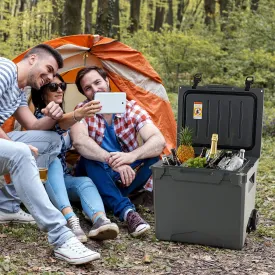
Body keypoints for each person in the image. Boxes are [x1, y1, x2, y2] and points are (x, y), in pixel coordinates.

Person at [0, 45, 100, 264]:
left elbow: (34, 125)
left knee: (52, 140)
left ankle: (6, 206)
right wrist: (14, 146)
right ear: (32, 59)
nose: (49, 78)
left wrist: (55, 113)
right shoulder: (5, 69)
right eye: (47, 70)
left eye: (53, 75)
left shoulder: (18, 90)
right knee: (20, 154)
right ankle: (61, 237)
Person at [70, 66, 166, 237]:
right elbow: (79, 142)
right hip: (96, 169)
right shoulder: (83, 109)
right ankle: (127, 212)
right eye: (88, 88)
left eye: (98, 82)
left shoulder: (131, 108)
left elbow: (158, 141)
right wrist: (111, 160)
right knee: (89, 158)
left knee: (155, 158)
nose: (95, 90)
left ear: (107, 81)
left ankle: (108, 201)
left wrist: (130, 157)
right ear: (85, 94)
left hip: (122, 175)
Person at [31, 73, 119, 242]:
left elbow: (69, 134)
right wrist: (76, 115)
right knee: (53, 160)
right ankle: (70, 220)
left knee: (84, 182)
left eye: (62, 86)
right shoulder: (39, 118)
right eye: (53, 87)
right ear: (42, 93)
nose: (60, 90)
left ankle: (100, 220)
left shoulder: (64, 116)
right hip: (41, 179)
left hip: (61, 178)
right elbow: (50, 130)